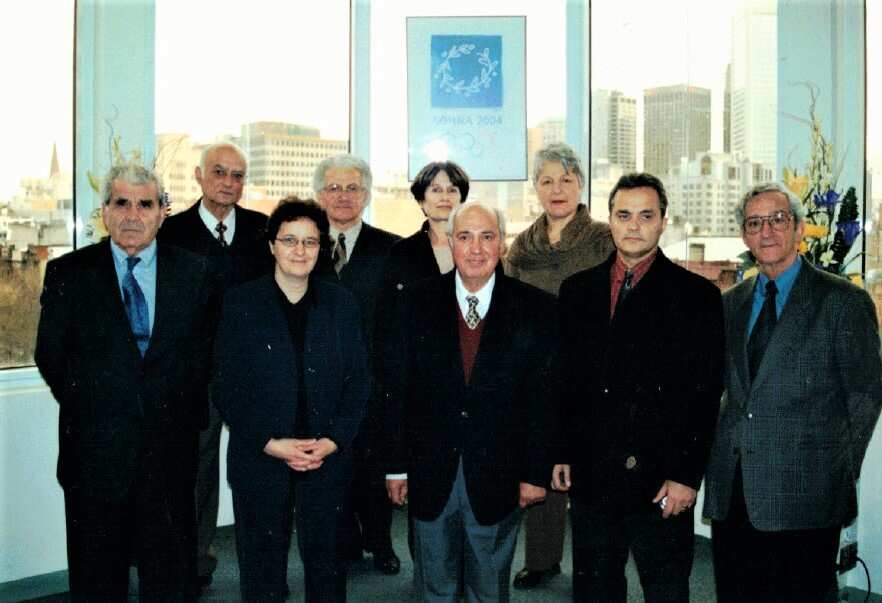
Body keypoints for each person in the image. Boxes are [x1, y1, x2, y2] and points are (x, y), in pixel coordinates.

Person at [35, 164, 217, 601]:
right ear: (104, 211)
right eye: (121, 203)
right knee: (97, 576)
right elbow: (51, 356)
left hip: (170, 451)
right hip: (94, 453)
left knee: (169, 576)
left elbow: (206, 355)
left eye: (144, 204)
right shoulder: (69, 273)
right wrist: (102, 406)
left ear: (162, 213)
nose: (132, 214)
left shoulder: (197, 273)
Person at [703, 183, 882, 603]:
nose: (766, 231)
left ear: (800, 228)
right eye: (754, 223)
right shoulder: (730, 303)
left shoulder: (842, 300)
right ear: (745, 236)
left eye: (778, 219)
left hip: (807, 492)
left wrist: (833, 468)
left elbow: (865, 396)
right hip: (736, 490)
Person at [553, 172, 725, 602]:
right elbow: (563, 382)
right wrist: (560, 451)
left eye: (645, 215)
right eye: (623, 214)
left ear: (664, 221)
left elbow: (705, 395)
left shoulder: (697, 296)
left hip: (660, 479)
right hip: (593, 474)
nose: (633, 225)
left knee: (665, 589)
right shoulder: (577, 291)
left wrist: (687, 475)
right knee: (594, 589)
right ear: (609, 220)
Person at [384, 202, 557, 602]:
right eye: (464, 237)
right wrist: (395, 466)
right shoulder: (413, 302)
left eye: (487, 236)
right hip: (430, 472)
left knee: (488, 588)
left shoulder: (538, 308)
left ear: (503, 243)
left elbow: (543, 400)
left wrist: (535, 473)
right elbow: (396, 390)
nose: (476, 248)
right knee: (434, 587)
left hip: (500, 474)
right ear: (449, 241)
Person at [213, 198, 371, 602]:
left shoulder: (342, 304)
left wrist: (334, 440)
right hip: (261, 456)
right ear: (271, 246)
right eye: (289, 240)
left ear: (321, 248)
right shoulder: (240, 303)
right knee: (262, 571)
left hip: (327, 457)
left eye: (310, 242)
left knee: (328, 570)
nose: (300, 251)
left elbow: (358, 382)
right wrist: (270, 442)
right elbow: (227, 386)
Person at [157, 141, 272, 591]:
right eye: (219, 172)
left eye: (238, 175)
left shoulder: (263, 231)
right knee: (197, 470)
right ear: (200, 177)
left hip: (253, 375)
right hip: (196, 378)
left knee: (259, 468)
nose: (229, 182)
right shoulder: (172, 232)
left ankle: (264, 567)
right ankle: (195, 558)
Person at [504, 142, 614, 590]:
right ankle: (543, 559)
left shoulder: (603, 239)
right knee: (540, 465)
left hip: (590, 371)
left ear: (581, 184)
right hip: (536, 373)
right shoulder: (522, 245)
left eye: (566, 179)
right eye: (546, 180)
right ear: (535, 188)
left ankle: (592, 563)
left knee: (587, 469)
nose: (557, 189)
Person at [314, 154, 402, 574]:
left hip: (374, 379)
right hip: (321, 383)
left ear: (366, 195)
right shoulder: (304, 245)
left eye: (352, 188)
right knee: (333, 466)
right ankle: (345, 543)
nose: (343, 196)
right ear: (319, 195)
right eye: (334, 188)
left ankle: (382, 544)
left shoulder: (392, 248)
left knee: (373, 466)